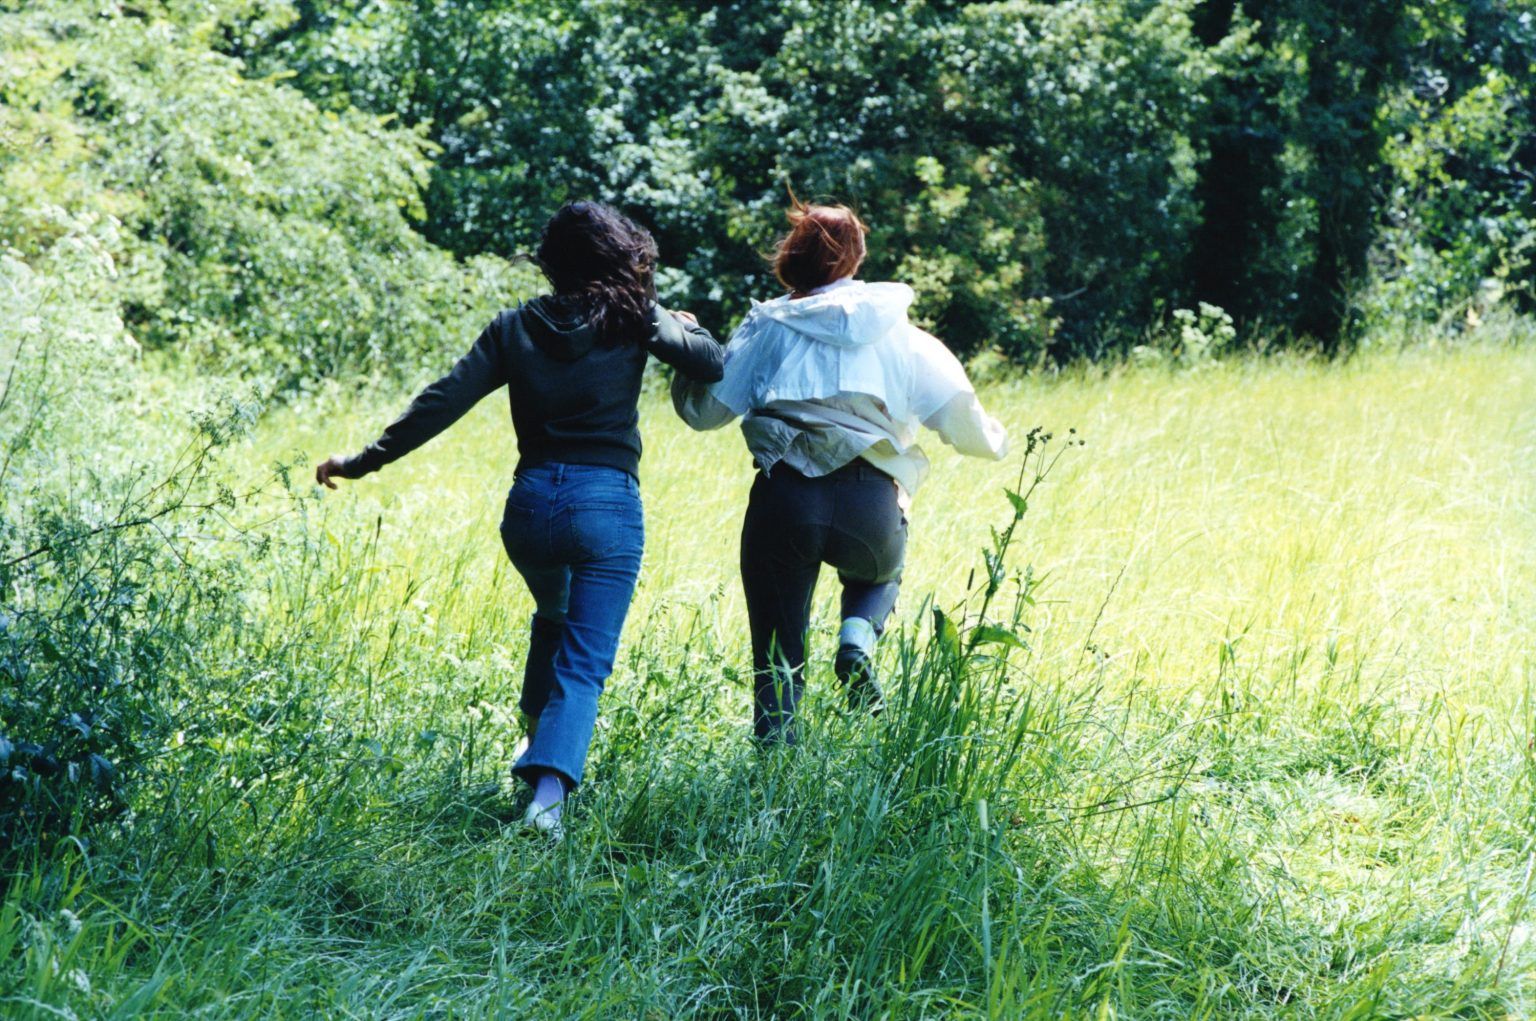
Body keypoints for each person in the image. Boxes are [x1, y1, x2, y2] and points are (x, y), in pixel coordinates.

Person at [315, 201, 723, 838]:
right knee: (583, 661)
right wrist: (667, 316)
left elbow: (441, 402)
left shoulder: (514, 327)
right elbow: (711, 360)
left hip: (530, 507)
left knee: (552, 617)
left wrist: (362, 462)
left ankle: (535, 746)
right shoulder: (633, 318)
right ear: (620, 259)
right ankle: (548, 799)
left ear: (553, 263)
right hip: (604, 507)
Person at [672, 200, 1008, 744]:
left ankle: (776, 766)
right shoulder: (902, 333)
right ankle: (856, 637)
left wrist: (688, 354)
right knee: (880, 576)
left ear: (791, 260)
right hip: (870, 504)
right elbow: (965, 422)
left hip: (785, 501)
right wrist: (998, 440)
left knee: (777, 651)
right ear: (856, 258)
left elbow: (705, 413)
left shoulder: (768, 327)